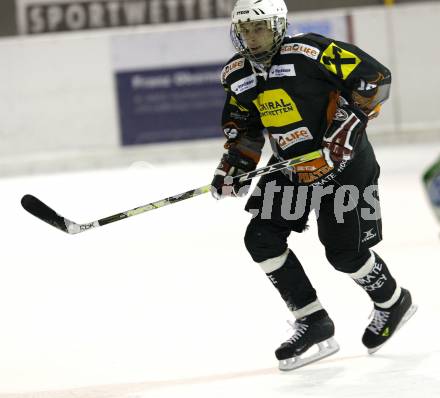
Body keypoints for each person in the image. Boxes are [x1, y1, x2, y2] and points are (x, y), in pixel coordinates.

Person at [210, 0, 417, 371]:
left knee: (345, 254)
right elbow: (244, 129)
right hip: (291, 165)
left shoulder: (311, 51)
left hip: (345, 166)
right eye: (246, 29)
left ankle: (392, 301)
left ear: (278, 27)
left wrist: (342, 133)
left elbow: (375, 78)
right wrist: (234, 166)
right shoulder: (236, 73)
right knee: (261, 238)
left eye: (261, 28)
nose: (253, 37)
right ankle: (313, 320)